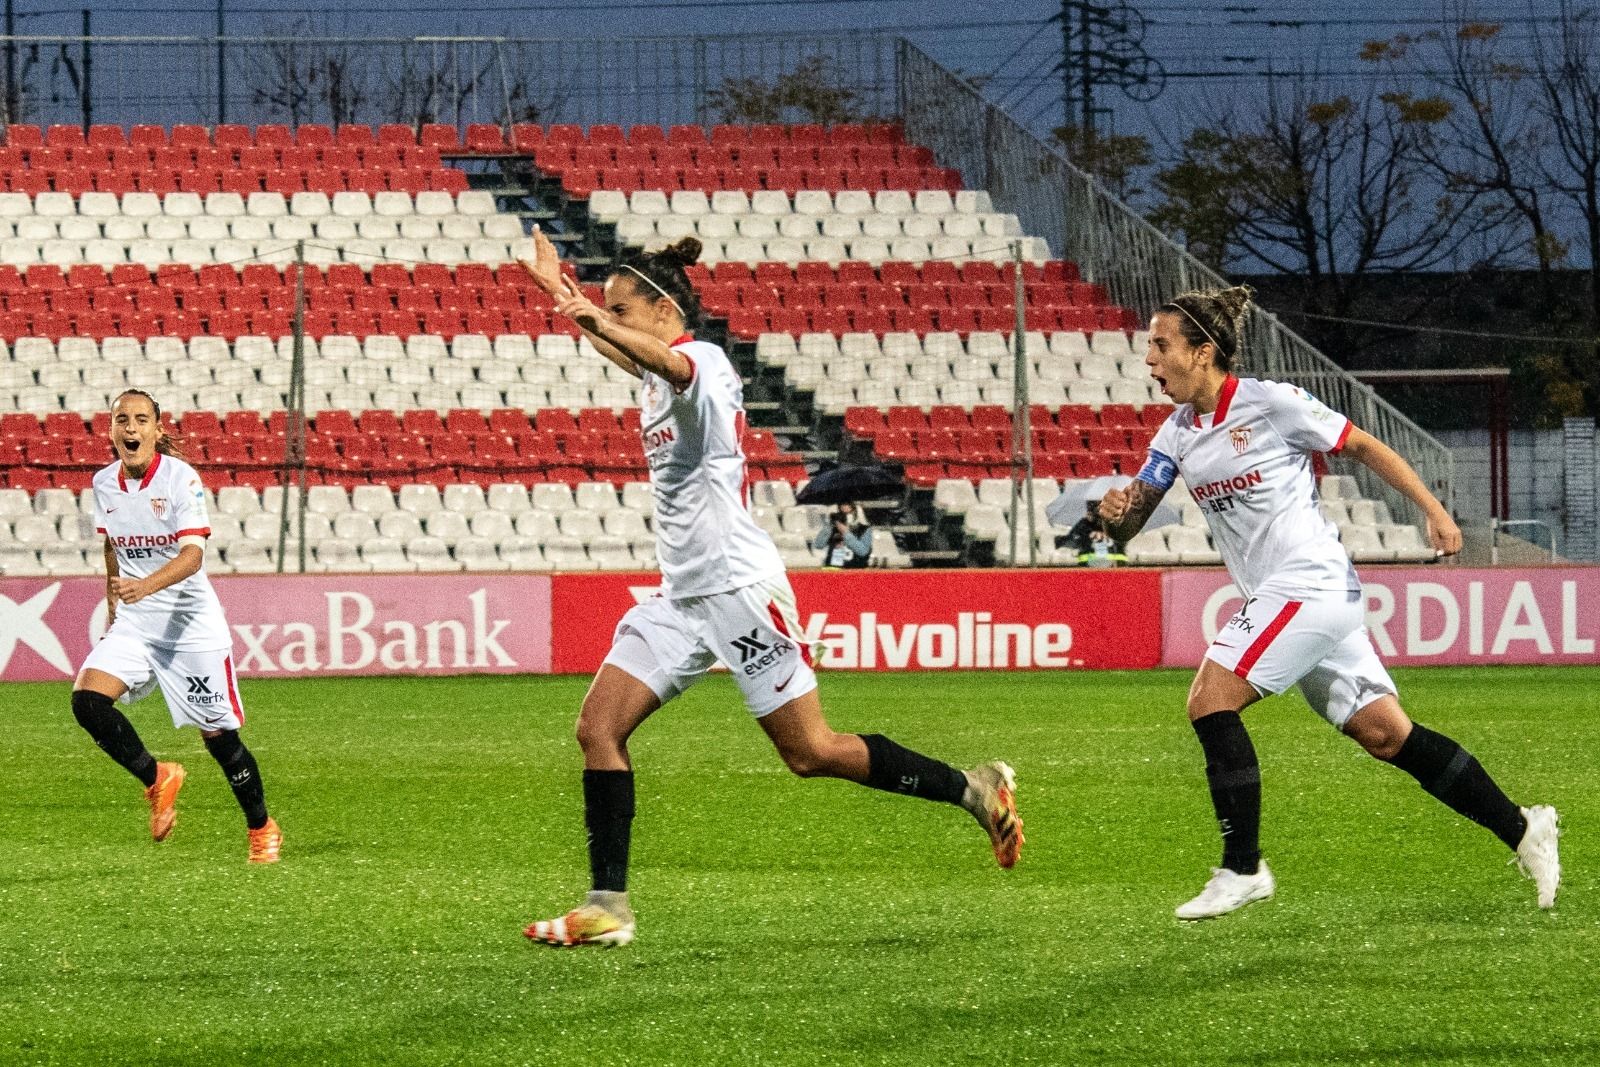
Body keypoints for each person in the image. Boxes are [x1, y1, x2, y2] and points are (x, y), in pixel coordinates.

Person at [517, 230, 1021, 947]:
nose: (614, 322)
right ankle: (608, 905)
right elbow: (628, 352)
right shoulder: (656, 372)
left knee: (810, 751)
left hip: (739, 588)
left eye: (623, 309)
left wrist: (586, 312)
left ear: (664, 311)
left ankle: (970, 787)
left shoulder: (705, 364)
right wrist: (559, 294)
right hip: (681, 596)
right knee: (598, 728)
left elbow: (664, 360)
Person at [1097, 285, 1558, 919]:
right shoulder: (1175, 435)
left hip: (1308, 582)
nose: (1148, 357)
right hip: (1301, 600)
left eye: (1160, 344)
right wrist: (1115, 517)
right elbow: (1133, 519)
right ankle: (1522, 827)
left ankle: (1242, 867)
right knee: (1387, 736)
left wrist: (1433, 511)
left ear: (1203, 352)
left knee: (1210, 698)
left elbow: (1364, 446)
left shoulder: (1272, 404)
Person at [71, 389, 281, 864]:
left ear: (157, 430)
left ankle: (262, 828)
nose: (131, 428)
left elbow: (193, 556)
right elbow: (111, 547)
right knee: (87, 701)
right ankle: (157, 776)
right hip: (136, 624)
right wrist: (113, 604)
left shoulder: (180, 479)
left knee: (220, 740)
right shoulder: (103, 483)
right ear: (109, 430)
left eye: (141, 419)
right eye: (121, 419)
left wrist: (143, 587)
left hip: (190, 627)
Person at [1063, 500, 1126, 566]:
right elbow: (1073, 539)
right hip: (1089, 566)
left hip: (1111, 566)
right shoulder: (1084, 524)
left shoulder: (1114, 523)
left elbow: (1121, 542)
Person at [812, 500, 873, 568]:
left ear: (856, 512)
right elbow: (818, 545)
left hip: (855, 570)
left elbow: (863, 551)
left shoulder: (864, 529)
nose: (845, 516)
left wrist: (846, 533)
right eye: (842, 513)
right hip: (833, 569)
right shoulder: (832, 528)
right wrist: (829, 526)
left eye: (849, 513)